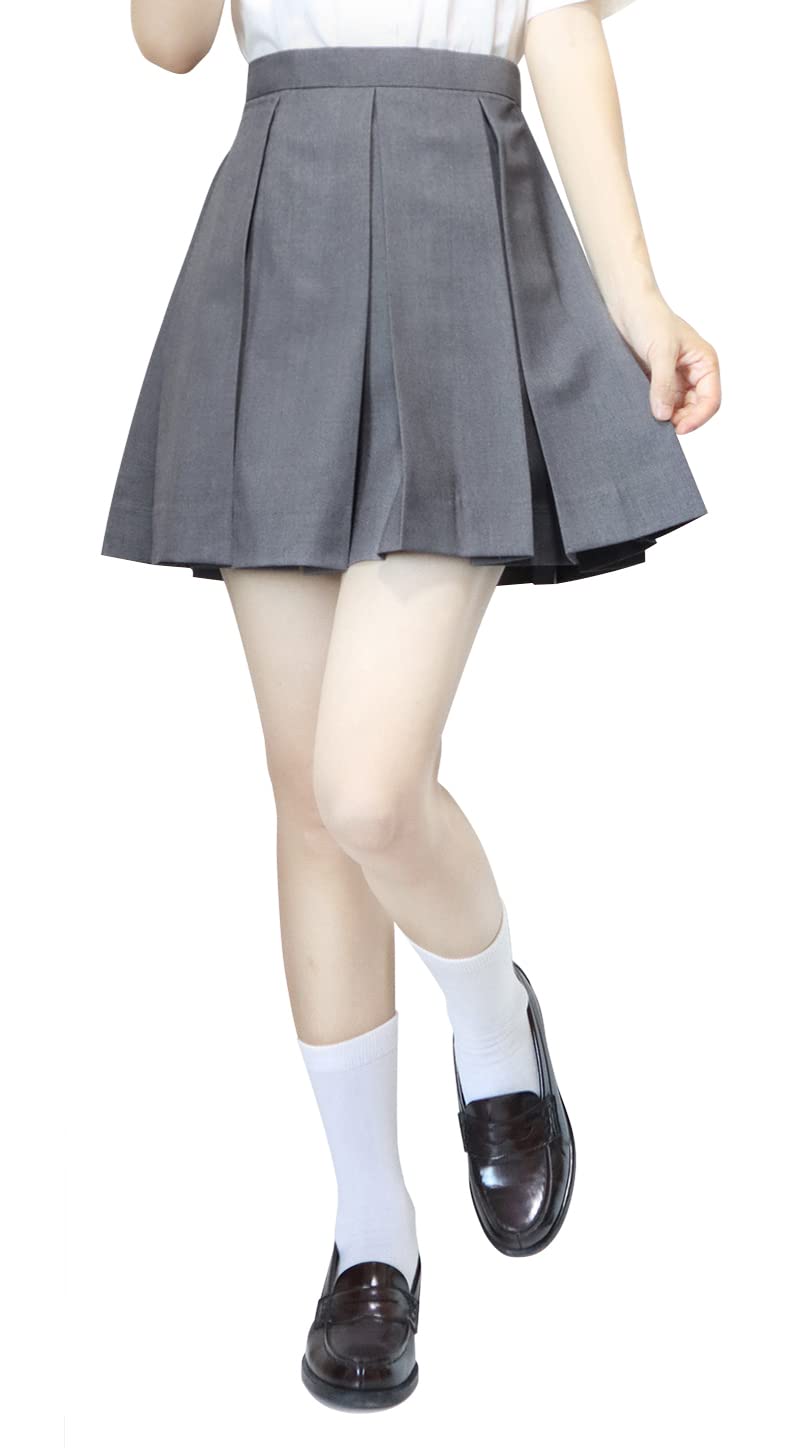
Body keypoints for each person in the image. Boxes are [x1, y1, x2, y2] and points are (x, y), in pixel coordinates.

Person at [100, 0, 721, 1412]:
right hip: (280, 242)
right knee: (309, 802)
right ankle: (370, 1234)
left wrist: (640, 300)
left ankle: (493, 1015)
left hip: (463, 240)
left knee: (369, 787)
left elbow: (562, 32)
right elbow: (169, 44)